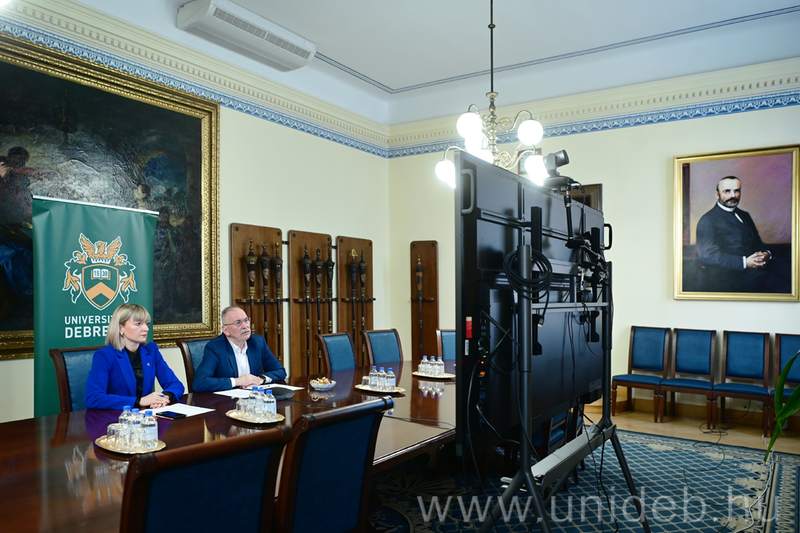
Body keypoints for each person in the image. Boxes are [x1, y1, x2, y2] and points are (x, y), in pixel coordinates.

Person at [695, 176, 789, 293]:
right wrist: (745, 262)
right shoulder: (708, 220)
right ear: (717, 195)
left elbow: (758, 244)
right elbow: (708, 255)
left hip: (757, 270)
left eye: (736, 191)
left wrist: (766, 253)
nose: (733, 195)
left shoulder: (744, 215)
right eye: (727, 191)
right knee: (783, 287)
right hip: (731, 277)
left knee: (791, 274)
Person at [85, 303, 184, 410]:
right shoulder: (105, 355)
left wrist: (164, 397)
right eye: (138, 324)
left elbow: (175, 384)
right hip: (116, 416)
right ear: (120, 328)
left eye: (147, 323)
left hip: (145, 415)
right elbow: (93, 397)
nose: (146, 329)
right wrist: (140, 401)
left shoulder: (151, 350)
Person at [193, 306, 286, 392]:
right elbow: (200, 383)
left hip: (254, 398)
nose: (245, 326)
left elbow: (280, 371)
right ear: (226, 330)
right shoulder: (215, 347)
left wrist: (261, 379)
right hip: (227, 401)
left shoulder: (258, 342)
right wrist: (238, 381)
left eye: (246, 320)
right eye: (238, 323)